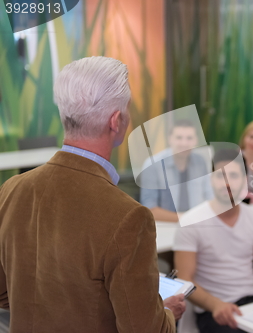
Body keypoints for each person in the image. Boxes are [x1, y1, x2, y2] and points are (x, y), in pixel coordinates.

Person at [0, 57, 184, 332]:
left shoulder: (12, 189)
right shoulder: (129, 216)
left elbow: (5, 294)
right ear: (115, 121)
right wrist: (167, 311)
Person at [174, 149, 253, 333]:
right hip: (213, 309)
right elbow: (185, 279)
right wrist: (216, 305)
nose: (226, 182)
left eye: (233, 175)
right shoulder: (191, 221)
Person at [140, 119, 213, 222]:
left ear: (196, 140)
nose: (184, 143)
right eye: (179, 138)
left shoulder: (200, 161)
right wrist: (188, 218)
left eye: (189, 138)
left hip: (197, 226)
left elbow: (210, 197)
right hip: (164, 227)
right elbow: (150, 209)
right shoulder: (152, 165)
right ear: (170, 139)